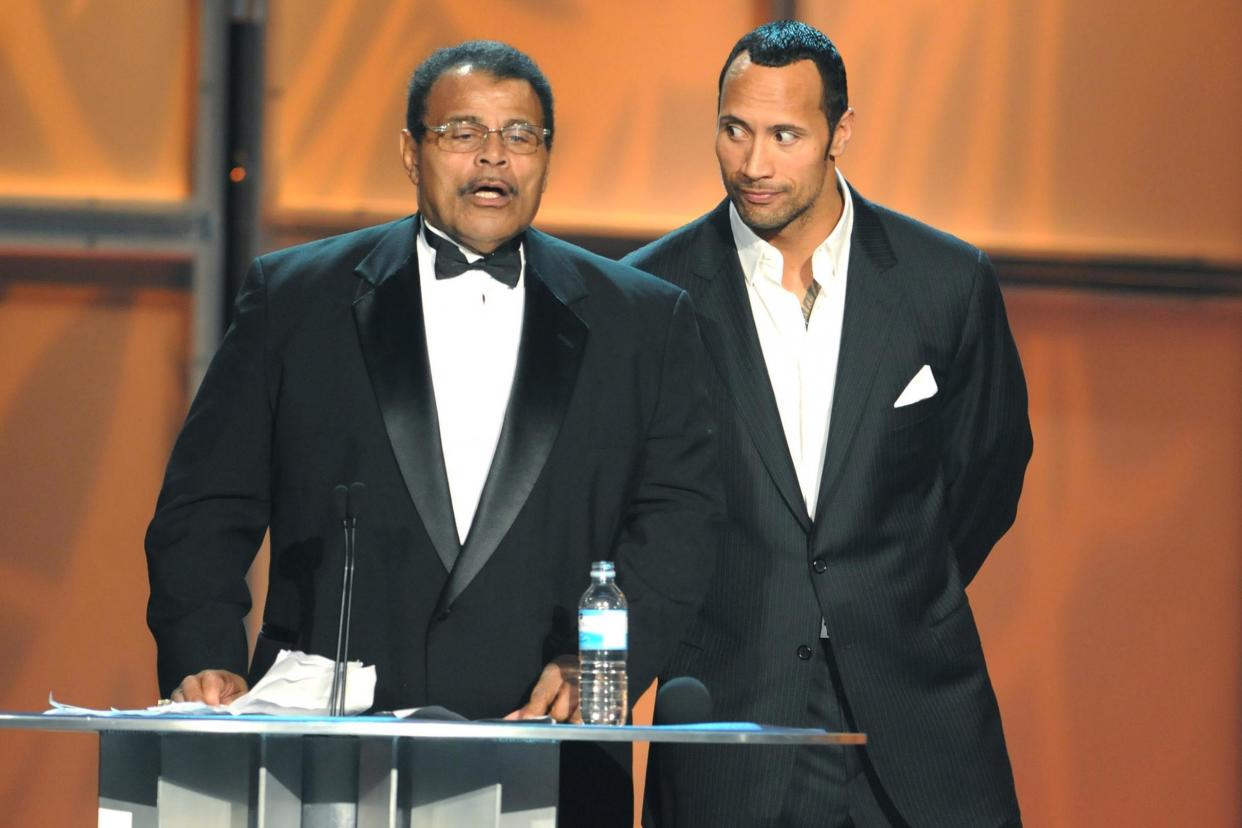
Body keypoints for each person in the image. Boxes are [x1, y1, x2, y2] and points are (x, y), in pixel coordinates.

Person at [145, 40, 722, 825]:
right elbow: (205, 506)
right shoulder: (295, 301)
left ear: (546, 156)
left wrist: (600, 669)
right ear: (412, 153)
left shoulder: (644, 322)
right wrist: (205, 658)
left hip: (548, 752)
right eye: (462, 133)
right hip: (329, 758)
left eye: (520, 135)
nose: (494, 158)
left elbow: (680, 524)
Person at [624, 20, 1032, 828]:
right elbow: (637, 510)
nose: (753, 164)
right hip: (731, 718)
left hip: (922, 715)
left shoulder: (944, 281)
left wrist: (893, 586)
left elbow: (988, 469)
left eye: (785, 135)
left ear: (841, 132)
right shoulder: (650, 296)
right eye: (734, 129)